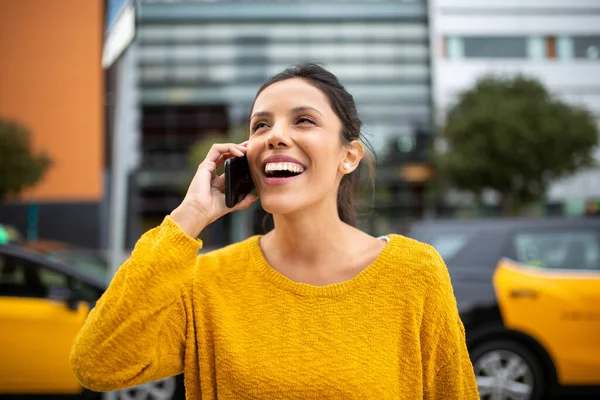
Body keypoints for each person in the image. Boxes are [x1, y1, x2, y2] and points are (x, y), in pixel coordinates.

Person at [70, 63, 478, 399]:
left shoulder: (414, 272)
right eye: (260, 126)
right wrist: (189, 216)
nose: (275, 136)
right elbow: (98, 362)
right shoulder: (207, 283)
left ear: (348, 156)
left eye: (303, 120)